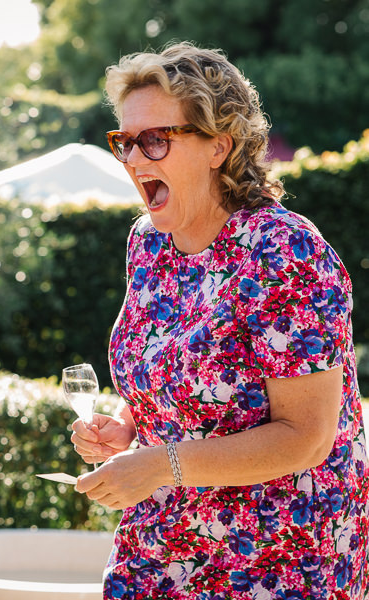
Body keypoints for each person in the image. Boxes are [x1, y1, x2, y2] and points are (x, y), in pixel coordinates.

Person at [71, 42, 368, 597]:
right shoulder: (147, 242)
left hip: (282, 556)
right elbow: (171, 377)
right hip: (164, 543)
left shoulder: (284, 252)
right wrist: (129, 425)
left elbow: (307, 438)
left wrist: (159, 465)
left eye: (155, 140)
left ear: (219, 146)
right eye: (125, 142)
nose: (134, 160)